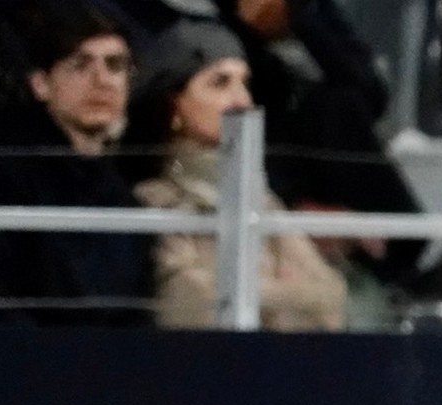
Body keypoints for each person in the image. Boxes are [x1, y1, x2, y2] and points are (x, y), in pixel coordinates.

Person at [128, 19, 344, 328]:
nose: (242, 101)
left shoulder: (263, 200)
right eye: (220, 83)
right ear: (174, 105)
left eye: (244, 83)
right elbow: (195, 310)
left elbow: (331, 298)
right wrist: (289, 295)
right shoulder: (153, 201)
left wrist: (255, 298)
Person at [0, 3, 152, 323]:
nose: (102, 81)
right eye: (79, 64)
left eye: (115, 66)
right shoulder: (0, 176)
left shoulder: (123, 197)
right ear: (41, 84)